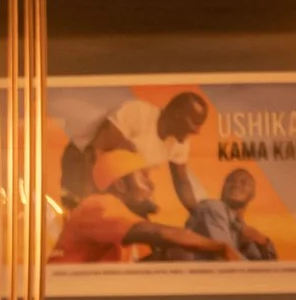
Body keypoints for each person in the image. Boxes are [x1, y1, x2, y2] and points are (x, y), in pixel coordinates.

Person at [52, 148, 241, 266]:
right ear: (121, 185)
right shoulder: (97, 205)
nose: (151, 185)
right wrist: (219, 247)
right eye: (143, 176)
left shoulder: (127, 227)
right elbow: (160, 233)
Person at [58, 88, 211, 212]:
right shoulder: (138, 112)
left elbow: (182, 182)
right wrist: (92, 198)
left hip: (117, 177)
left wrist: (197, 211)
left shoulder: (180, 142)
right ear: (178, 116)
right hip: (82, 158)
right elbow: (97, 150)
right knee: (84, 215)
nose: (195, 132)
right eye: (193, 124)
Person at [149, 165, 277, 263]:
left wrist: (264, 242)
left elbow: (273, 270)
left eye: (244, 182)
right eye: (231, 181)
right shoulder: (214, 207)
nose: (236, 184)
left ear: (253, 195)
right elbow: (227, 257)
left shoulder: (243, 230)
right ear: (223, 188)